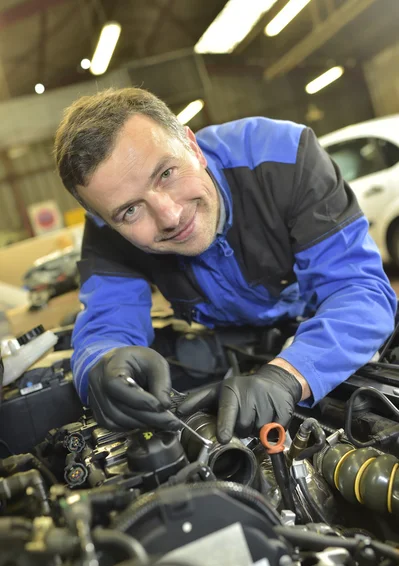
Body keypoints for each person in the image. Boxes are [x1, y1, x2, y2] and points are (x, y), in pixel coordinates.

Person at [54, 87, 396, 443]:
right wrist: (101, 365)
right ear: (106, 220)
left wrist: (289, 374)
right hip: (226, 339)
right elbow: (106, 322)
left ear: (192, 145)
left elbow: (359, 290)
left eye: (166, 173)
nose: (170, 216)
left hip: (319, 325)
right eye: (130, 210)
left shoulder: (283, 156)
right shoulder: (105, 230)